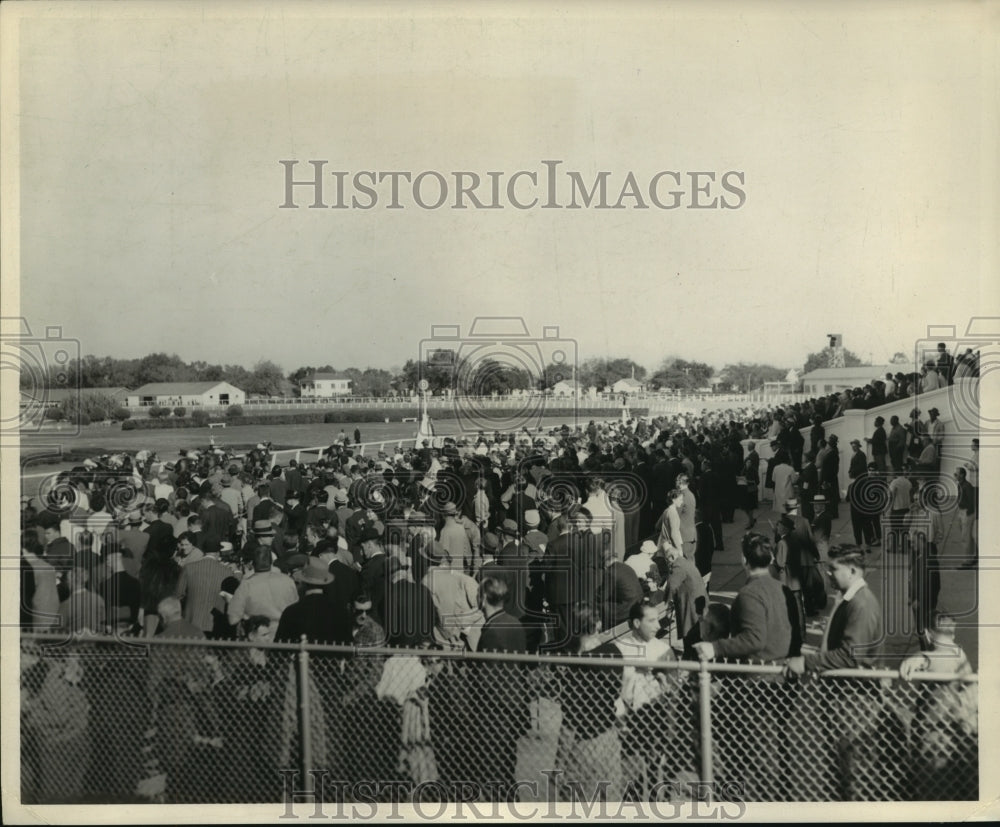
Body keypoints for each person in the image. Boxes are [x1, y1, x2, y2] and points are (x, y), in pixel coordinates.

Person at [554, 605, 624, 802]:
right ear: (599, 624)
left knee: (578, 804)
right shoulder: (613, 652)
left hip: (584, 744)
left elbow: (569, 723)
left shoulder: (576, 669)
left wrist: (558, 764)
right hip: (609, 738)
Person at [693, 533, 792, 664]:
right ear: (771, 558)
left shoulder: (750, 594)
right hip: (781, 666)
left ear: (744, 560)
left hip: (758, 673)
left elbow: (754, 639)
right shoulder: (781, 588)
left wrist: (714, 648)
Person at [227, 544, 299, 629]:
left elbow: (233, 619)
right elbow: (296, 612)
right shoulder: (288, 582)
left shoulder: (246, 585)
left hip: (256, 636)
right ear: (271, 562)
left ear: (253, 563)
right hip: (282, 635)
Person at [660, 539, 707, 642]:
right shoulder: (685, 562)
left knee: (690, 636)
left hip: (691, 606)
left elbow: (672, 585)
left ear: (672, 557)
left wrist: (664, 601)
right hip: (698, 603)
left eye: (668, 562)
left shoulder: (678, 566)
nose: (669, 565)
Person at [955, 467, 977, 568]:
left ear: (963, 475)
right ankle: (974, 556)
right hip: (962, 511)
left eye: (957, 474)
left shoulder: (967, 486)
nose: (955, 475)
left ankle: (967, 561)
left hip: (967, 513)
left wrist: (967, 512)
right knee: (967, 536)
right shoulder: (960, 485)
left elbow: (972, 501)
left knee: (966, 537)